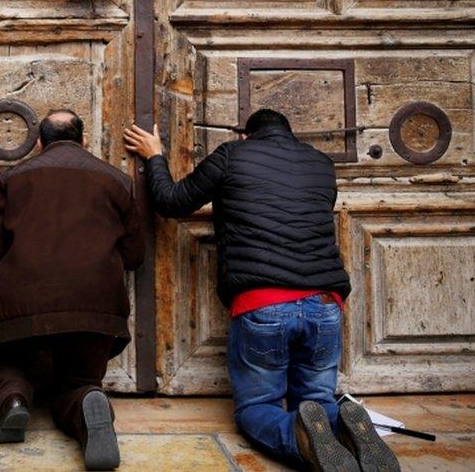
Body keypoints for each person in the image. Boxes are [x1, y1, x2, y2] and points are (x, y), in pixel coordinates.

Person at [124, 110, 400, 472]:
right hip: (325, 304)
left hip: (263, 304)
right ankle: (346, 428)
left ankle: (302, 440)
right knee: (318, 399)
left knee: (258, 409)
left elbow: (173, 202)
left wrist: (155, 156)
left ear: (245, 137)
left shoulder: (231, 155)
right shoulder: (321, 164)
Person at [0, 110, 144, 471]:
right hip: (96, 311)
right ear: (84, 141)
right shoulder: (119, 181)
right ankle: (86, 400)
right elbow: (134, 256)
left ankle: (14, 399)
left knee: (13, 362)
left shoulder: (13, 177)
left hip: (23, 308)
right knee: (77, 380)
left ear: (39, 142)